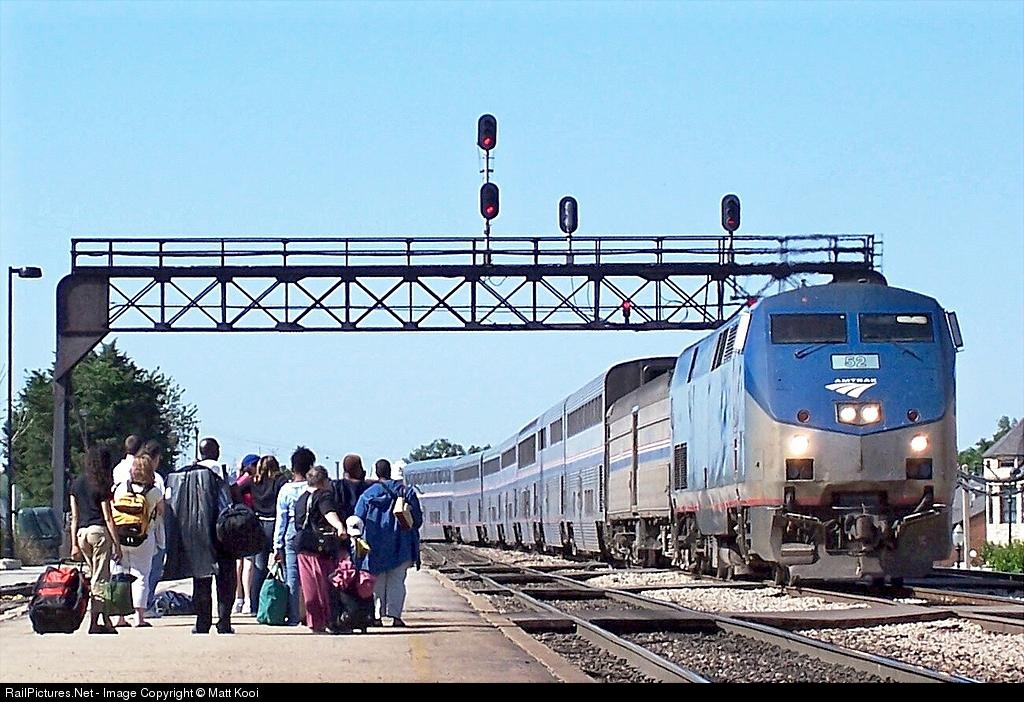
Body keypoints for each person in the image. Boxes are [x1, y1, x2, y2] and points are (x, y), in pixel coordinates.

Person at [163, 436, 237, 634]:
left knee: (201, 579)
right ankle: (224, 622)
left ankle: (202, 622)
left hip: (193, 532)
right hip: (221, 531)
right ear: (216, 452)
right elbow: (232, 500)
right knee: (226, 579)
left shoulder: (183, 473)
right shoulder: (221, 472)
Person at [354, 458, 423, 627]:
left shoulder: (368, 494)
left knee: (377, 582)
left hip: (374, 545)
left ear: (377, 473)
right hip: (402, 544)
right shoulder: (406, 492)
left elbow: (357, 519)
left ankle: (377, 617)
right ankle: (396, 617)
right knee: (397, 582)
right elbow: (417, 520)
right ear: (390, 471)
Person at [69, 446, 121, 634]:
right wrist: (117, 544)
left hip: (82, 534)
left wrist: (74, 544)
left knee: (97, 577)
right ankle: (94, 622)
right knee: (101, 580)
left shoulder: (76, 484)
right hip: (98, 533)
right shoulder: (101, 484)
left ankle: (106, 619)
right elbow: (108, 517)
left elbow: (74, 517)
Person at [110, 454, 163, 628]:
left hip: (120, 537)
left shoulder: (120, 488)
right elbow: (161, 512)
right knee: (141, 575)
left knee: (119, 574)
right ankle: (139, 617)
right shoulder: (154, 492)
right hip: (143, 537)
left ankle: (120, 617)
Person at [293, 466, 347, 633]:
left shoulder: (301, 498)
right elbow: (328, 512)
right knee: (324, 585)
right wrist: (339, 526)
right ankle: (328, 620)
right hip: (320, 547)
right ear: (323, 481)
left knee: (309, 585)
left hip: (303, 545)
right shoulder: (323, 496)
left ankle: (314, 621)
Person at [273, 446, 316, 626]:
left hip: (291, 532)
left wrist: (277, 545)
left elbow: (281, 519)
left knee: (292, 575)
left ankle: (293, 616)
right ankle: (311, 614)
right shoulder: (313, 487)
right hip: (310, 532)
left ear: (293, 467)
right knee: (311, 573)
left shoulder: (285, 490)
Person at [249, 455, 288, 614]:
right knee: (283, 564)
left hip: (258, 524)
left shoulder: (254, 481)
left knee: (259, 567)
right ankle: (287, 605)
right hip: (274, 523)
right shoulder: (280, 481)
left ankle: (255, 605)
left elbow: (236, 486)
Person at [139, 440, 168, 617]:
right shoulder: (156, 479)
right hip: (152, 530)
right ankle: (146, 605)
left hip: (129, 528)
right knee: (152, 570)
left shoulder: (130, 476)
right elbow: (162, 509)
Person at [232, 453, 258, 615]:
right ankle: (246, 599)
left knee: (240, 563)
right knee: (247, 562)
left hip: (238, 522)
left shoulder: (241, 480)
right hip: (247, 522)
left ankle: (240, 598)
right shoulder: (248, 480)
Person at [334, 454, 373, 522]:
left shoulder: (336, 486)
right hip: (362, 524)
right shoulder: (367, 487)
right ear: (358, 469)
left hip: (342, 524)